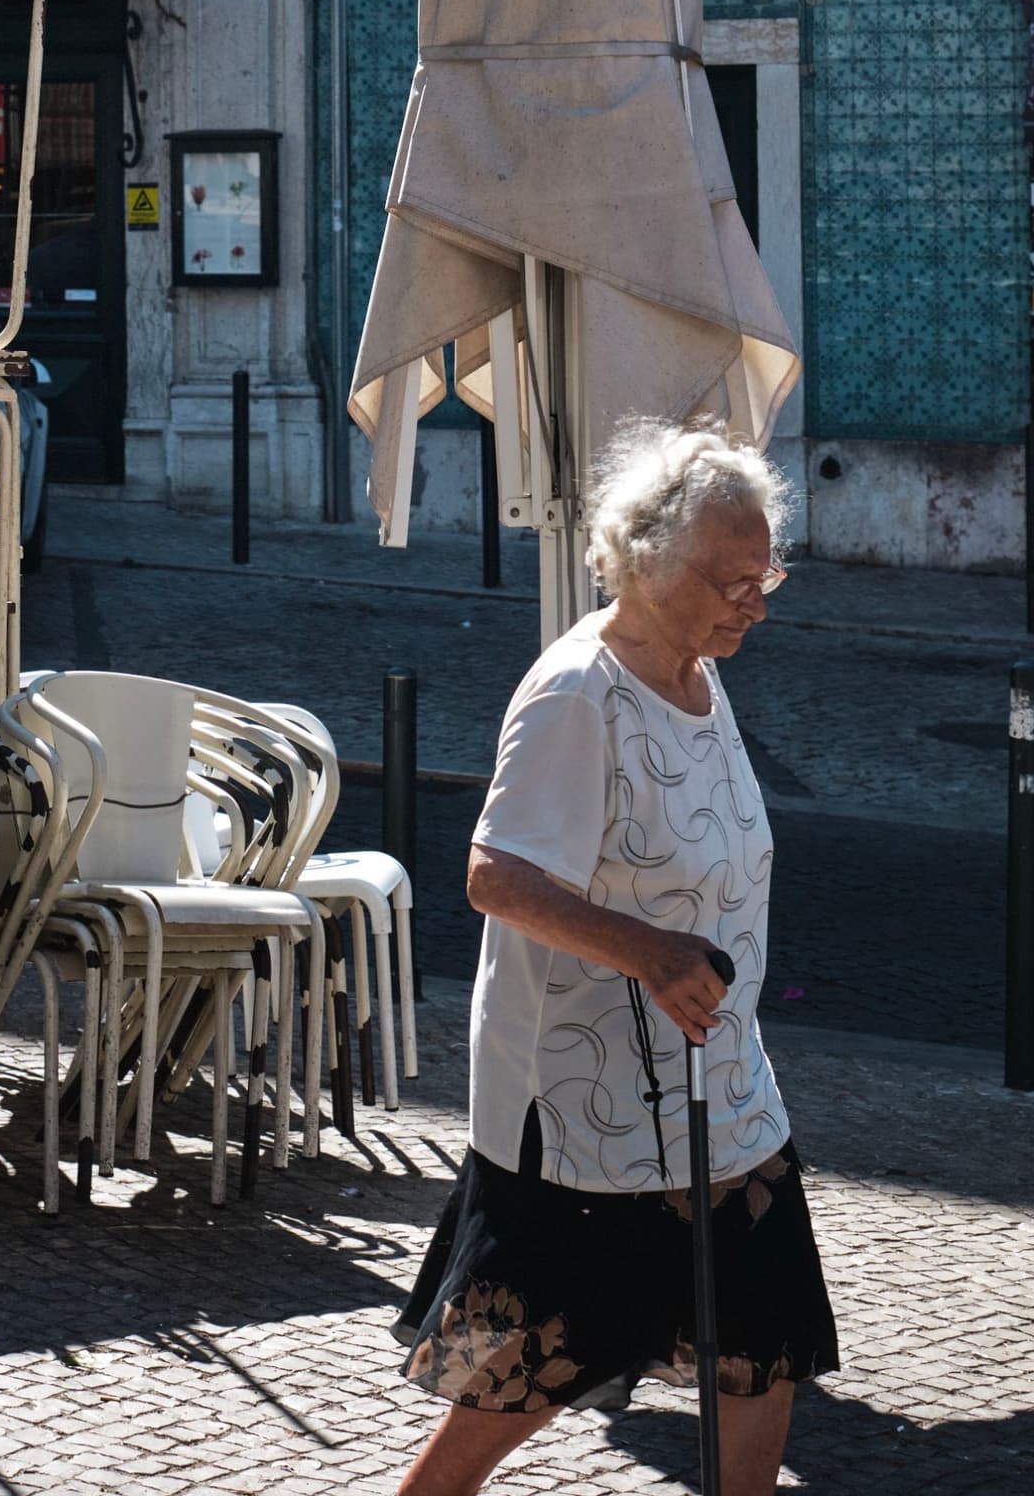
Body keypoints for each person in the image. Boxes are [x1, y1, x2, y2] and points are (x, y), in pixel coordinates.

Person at [393, 422, 838, 1496]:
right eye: (731, 578)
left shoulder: (694, 675)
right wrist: (644, 951)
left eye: (762, 572)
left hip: (718, 1090)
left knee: (758, 1349)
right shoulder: (573, 696)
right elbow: (493, 874)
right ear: (643, 559)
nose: (756, 601)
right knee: (527, 1376)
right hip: (585, 1110)